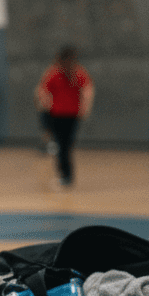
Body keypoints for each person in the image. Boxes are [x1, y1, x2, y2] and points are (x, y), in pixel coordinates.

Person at [35, 45, 94, 188]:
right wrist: (45, 103)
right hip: (57, 114)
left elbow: (87, 90)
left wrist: (85, 107)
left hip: (71, 115)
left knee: (65, 146)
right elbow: (42, 90)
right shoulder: (54, 72)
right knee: (63, 146)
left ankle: (65, 174)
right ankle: (65, 175)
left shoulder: (77, 73)